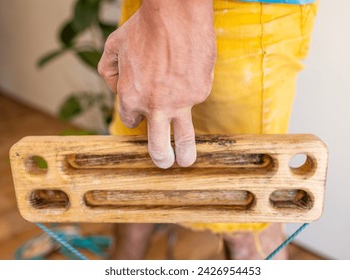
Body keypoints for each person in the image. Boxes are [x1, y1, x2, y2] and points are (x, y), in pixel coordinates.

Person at [98, 0, 318, 260]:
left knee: (246, 222)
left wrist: (174, 21)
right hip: (151, 9)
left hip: (237, 12)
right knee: (130, 188)